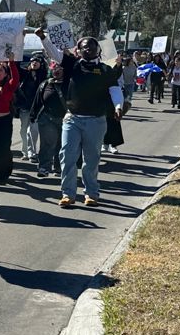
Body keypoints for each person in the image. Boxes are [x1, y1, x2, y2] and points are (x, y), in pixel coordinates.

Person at [36, 29, 125, 208]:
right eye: (84, 47)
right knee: (67, 156)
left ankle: (91, 193)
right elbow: (54, 53)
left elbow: (115, 90)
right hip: (72, 119)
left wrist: (118, 106)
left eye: (91, 47)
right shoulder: (72, 64)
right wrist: (43, 38)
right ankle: (68, 194)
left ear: (98, 50)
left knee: (91, 159)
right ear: (78, 50)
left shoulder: (105, 70)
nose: (88, 50)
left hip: (96, 121)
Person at [30, 62, 67, 178]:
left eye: (60, 68)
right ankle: (44, 168)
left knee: (61, 145)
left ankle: (58, 168)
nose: (57, 70)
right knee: (47, 144)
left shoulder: (69, 83)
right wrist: (33, 115)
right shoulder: (45, 84)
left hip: (66, 119)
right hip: (47, 119)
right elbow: (37, 100)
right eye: (54, 68)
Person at [15, 56, 46, 161]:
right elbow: (16, 68)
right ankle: (25, 152)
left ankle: (31, 153)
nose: (34, 62)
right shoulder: (25, 74)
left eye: (37, 61)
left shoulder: (43, 75)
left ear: (40, 64)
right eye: (32, 61)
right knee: (23, 130)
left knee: (32, 130)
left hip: (36, 107)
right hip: (25, 106)